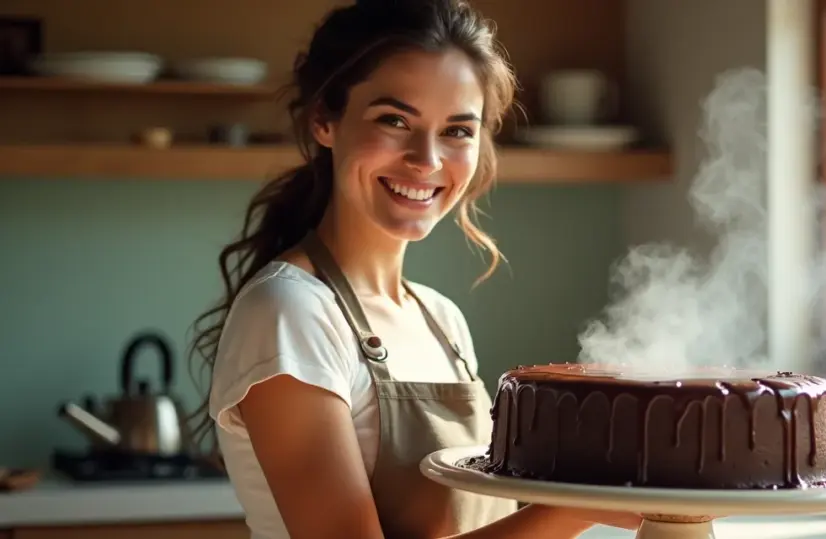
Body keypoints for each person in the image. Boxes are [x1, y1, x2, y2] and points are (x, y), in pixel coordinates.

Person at [186, 1, 642, 538]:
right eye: (394, 120)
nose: (426, 160)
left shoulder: (441, 319)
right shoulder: (290, 311)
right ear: (324, 121)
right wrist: (577, 508)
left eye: (457, 131)